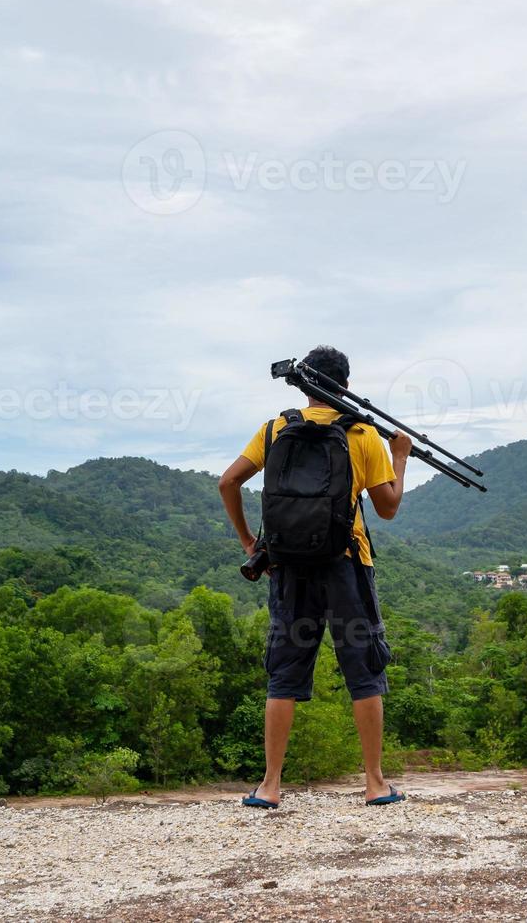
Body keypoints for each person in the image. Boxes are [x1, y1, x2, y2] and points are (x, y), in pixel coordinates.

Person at [217, 346, 413, 808]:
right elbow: (387, 508)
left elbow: (228, 482)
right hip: (347, 563)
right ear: (344, 386)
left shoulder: (274, 429)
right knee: (364, 671)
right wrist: (399, 457)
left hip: (287, 565)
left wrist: (250, 543)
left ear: (305, 386)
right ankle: (375, 783)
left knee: (284, 673)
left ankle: (269, 785)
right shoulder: (362, 433)